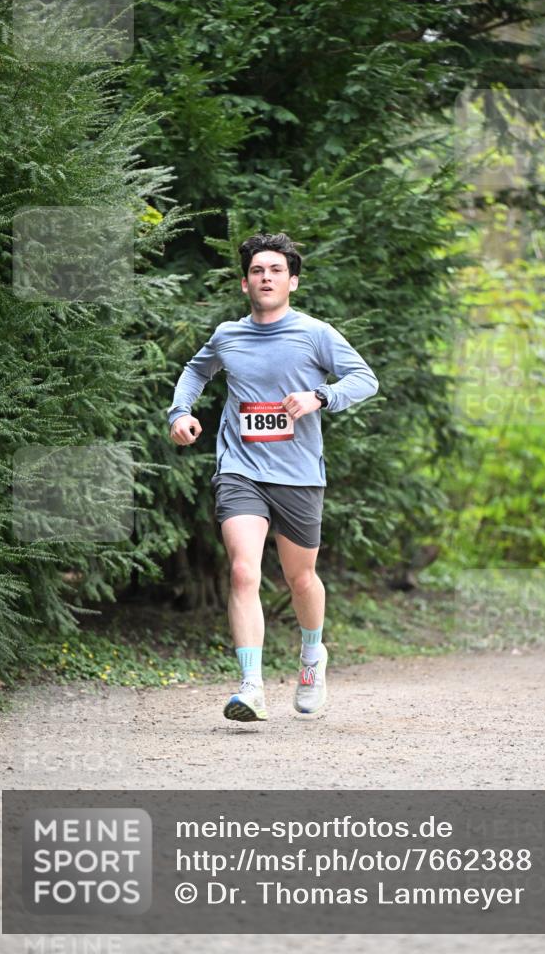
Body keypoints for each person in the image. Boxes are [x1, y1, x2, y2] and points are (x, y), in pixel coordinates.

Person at [167, 232, 379, 722]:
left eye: (276, 271)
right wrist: (180, 413)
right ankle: (251, 687)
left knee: (299, 577)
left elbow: (364, 378)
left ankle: (311, 656)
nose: (267, 278)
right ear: (245, 284)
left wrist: (320, 397)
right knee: (243, 570)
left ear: (293, 281)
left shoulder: (316, 334)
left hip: (299, 474)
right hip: (240, 468)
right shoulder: (228, 335)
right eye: (258, 271)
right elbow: (195, 371)